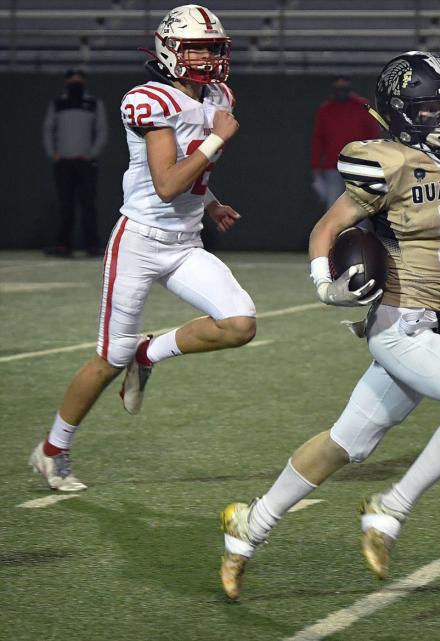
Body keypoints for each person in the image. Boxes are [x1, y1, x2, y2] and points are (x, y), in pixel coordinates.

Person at [218, 51, 440, 600]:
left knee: (348, 442)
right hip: (402, 323)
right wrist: (326, 285)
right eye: (431, 109)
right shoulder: (384, 163)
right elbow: (326, 227)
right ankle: (389, 510)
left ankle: (249, 526)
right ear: (402, 114)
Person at [29, 4, 256, 492]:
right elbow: (168, 183)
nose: (209, 57)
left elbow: (193, 174)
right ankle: (52, 450)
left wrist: (212, 201)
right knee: (109, 359)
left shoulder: (217, 93)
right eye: (197, 46)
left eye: (214, 47)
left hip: (185, 242)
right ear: (170, 50)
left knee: (240, 324)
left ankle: (149, 353)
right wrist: (216, 141)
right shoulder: (150, 99)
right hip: (139, 243)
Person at [42, 69, 109, 257]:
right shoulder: (57, 104)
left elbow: (102, 130)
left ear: (85, 83)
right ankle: (63, 245)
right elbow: (48, 129)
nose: (75, 83)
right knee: (65, 205)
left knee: (88, 205)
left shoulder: (94, 103)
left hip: (85, 164)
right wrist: (53, 153)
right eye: (72, 80)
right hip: (63, 163)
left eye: (79, 80)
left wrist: (92, 153)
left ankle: (92, 246)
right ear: (66, 82)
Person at [310, 74, 382, 210]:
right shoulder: (325, 110)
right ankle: (336, 232)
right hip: (333, 168)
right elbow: (318, 140)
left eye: (344, 82)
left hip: (359, 167)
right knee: (333, 209)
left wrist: (374, 165)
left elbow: (374, 136)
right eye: (338, 82)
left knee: (360, 210)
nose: (341, 86)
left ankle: (360, 232)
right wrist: (316, 172)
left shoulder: (362, 106)